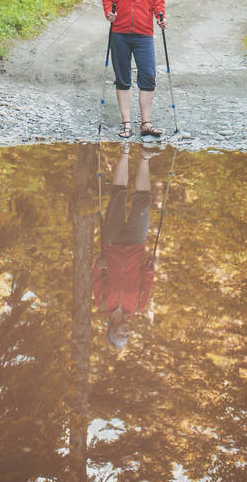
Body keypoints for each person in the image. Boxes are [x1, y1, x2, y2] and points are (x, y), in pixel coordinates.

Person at [92, 143, 160, 349]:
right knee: (144, 201)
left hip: (111, 244)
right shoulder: (139, 306)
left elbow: (96, 276)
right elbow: (146, 280)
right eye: (127, 335)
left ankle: (125, 151)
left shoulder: (102, 304)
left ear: (112, 331)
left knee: (119, 194)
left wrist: (98, 265)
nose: (127, 332)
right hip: (135, 246)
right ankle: (145, 157)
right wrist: (151, 266)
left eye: (122, 335)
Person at [102, 0, 168, 140]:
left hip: (144, 33)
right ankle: (126, 124)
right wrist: (108, 12)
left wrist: (160, 16)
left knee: (148, 75)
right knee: (123, 79)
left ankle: (146, 124)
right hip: (119, 32)